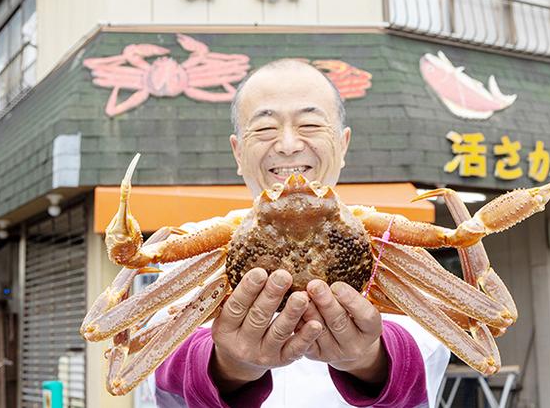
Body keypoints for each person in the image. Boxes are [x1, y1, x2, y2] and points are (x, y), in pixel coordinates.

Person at [150, 59, 450, 407]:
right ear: (238, 151)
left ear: (343, 146)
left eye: (309, 124)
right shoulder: (190, 249)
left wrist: (369, 360)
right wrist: (227, 367)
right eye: (264, 129)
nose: (288, 144)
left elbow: (436, 349)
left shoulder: (395, 247)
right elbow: (153, 368)